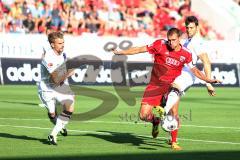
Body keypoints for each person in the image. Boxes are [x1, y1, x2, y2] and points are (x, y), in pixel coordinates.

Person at [112, 27, 220, 150]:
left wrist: (208, 80)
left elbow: (194, 70)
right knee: (143, 115)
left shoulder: (186, 53)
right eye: (169, 40)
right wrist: (121, 52)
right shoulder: (159, 44)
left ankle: (174, 141)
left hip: (171, 86)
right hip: (154, 86)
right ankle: (155, 121)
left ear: (179, 39)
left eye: (173, 40)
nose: (171, 43)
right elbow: (139, 49)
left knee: (173, 112)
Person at [160, 16, 216, 150]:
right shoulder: (186, 41)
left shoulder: (198, 43)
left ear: (197, 28)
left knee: (173, 98)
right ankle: (170, 134)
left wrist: (208, 83)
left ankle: (173, 139)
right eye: (187, 27)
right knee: (171, 105)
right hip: (177, 73)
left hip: (187, 74)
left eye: (191, 27)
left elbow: (206, 62)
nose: (189, 30)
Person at [38, 31, 75, 145]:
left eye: (63, 42)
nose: (62, 45)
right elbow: (55, 79)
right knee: (52, 114)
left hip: (60, 87)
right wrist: (69, 73)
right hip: (47, 89)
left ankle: (53, 134)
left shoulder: (63, 54)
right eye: (59, 43)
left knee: (70, 106)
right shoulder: (48, 57)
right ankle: (60, 124)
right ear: (52, 44)